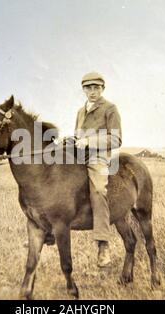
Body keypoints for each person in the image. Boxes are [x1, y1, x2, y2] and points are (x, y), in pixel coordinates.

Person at [74, 72, 122, 267]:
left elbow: (116, 139)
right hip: (77, 156)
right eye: (88, 88)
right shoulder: (80, 111)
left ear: (102, 88)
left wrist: (88, 142)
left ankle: (103, 244)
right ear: (83, 90)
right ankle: (48, 231)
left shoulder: (110, 108)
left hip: (98, 157)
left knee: (99, 190)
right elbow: (77, 137)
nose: (92, 92)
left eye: (96, 88)